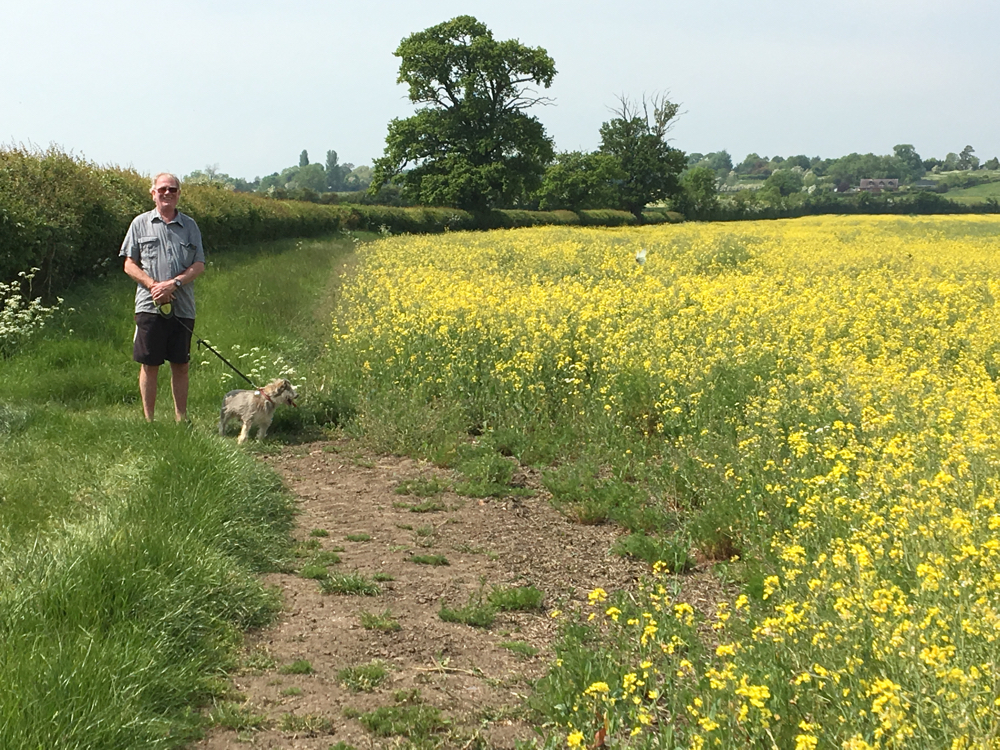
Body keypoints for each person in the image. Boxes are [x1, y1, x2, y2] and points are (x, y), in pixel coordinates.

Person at [120, 173, 205, 422]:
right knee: (150, 364)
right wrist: (153, 285)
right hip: (149, 305)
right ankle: (149, 421)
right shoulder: (139, 224)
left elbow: (199, 264)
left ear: (179, 194)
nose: (167, 193)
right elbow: (129, 263)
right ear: (153, 193)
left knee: (181, 364)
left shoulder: (190, 226)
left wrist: (174, 283)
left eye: (173, 189)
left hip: (182, 306)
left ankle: (181, 418)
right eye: (162, 189)